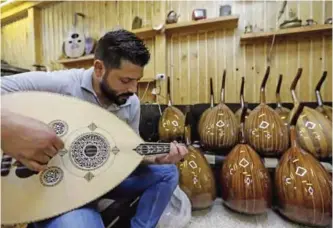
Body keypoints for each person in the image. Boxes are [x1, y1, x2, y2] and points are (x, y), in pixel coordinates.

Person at [1, 29, 188, 228]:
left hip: (102, 180)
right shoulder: (60, 84)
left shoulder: (130, 103)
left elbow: (130, 151)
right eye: (125, 80)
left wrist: (155, 158)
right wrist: (9, 128)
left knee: (167, 172)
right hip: (57, 190)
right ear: (99, 68)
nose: (134, 90)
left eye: (137, 81)